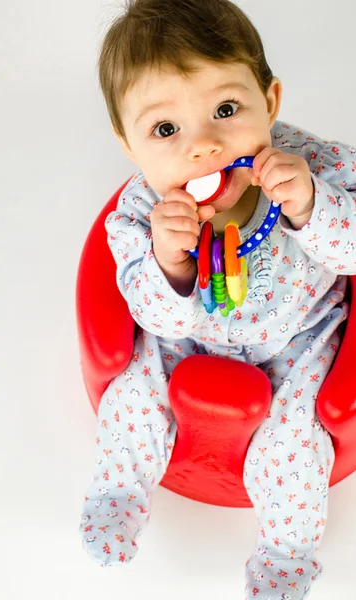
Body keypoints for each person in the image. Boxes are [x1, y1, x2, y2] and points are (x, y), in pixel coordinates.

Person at [79, 0, 356, 597]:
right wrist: (168, 263)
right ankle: (120, 491)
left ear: (271, 102)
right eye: (165, 129)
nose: (202, 146)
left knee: (294, 448)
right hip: (184, 338)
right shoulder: (139, 213)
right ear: (129, 143)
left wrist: (313, 207)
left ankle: (288, 549)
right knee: (132, 396)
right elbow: (141, 308)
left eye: (226, 110)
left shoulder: (321, 166)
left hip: (298, 340)